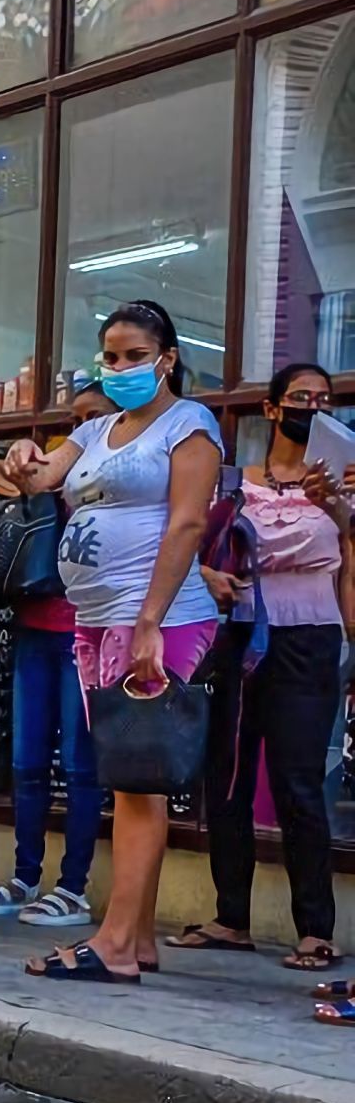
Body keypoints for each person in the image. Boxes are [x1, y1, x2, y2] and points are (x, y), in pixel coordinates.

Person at [4, 299, 222, 983]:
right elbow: (42, 477)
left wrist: (151, 620)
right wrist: (21, 458)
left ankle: (117, 942)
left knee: (133, 781)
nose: (121, 367)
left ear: (167, 359)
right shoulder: (100, 432)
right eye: (111, 356)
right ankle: (138, 939)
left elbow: (187, 524)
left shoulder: (191, 426)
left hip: (155, 619)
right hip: (96, 620)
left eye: (135, 356)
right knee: (134, 776)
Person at [171, 362, 347, 974]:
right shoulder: (233, 483)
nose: (312, 408)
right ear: (272, 409)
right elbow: (189, 545)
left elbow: (350, 566)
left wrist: (343, 512)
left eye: (324, 400)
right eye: (300, 397)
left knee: (299, 782)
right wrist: (204, 576)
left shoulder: (344, 484)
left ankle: (315, 930)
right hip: (237, 636)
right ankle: (230, 918)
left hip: (311, 639)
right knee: (227, 777)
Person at [0, 380, 118, 927]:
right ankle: (25, 876)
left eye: (94, 416)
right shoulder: (56, 469)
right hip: (36, 627)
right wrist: (18, 458)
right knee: (27, 761)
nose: (81, 427)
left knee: (82, 766)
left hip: (89, 632)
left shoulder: (123, 477)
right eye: (74, 418)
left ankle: (73, 887)